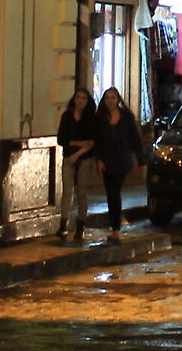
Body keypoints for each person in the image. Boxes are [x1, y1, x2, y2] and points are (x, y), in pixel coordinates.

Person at [85, 88, 142, 240]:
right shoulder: (101, 118)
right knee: (112, 193)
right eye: (107, 98)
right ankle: (115, 228)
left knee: (115, 191)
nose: (110, 101)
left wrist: (141, 160)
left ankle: (116, 226)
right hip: (107, 161)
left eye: (113, 97)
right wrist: (99, 159)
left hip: (123, 159)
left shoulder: (126, 117)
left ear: (118, 99)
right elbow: (98, 141)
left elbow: (135, 138)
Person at [57, 88, 98, 238]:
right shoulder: (67, 116)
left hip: (85, 158)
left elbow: (92, 142)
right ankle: (63, 225)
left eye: (84, 98)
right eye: (78, 97)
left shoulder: (91, 119)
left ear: (88, 101)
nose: (80, 101)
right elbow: (61, 139)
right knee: (67, 191)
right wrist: (80, 143)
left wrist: (77, 149)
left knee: (81, 191)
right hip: (68, 158)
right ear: (74, 99)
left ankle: (81, 225)